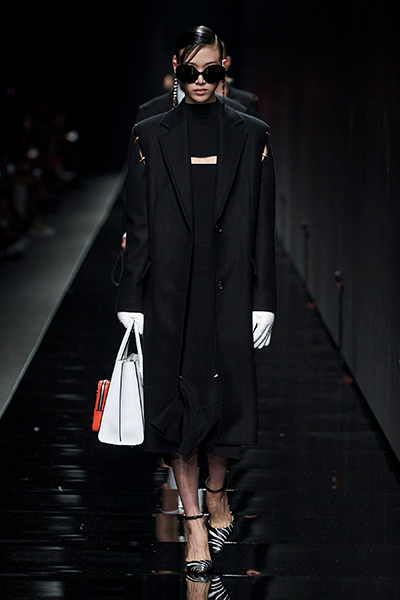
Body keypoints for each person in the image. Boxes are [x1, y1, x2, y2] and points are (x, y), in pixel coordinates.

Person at [116, 25, 276, 575]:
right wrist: (130, 294)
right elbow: (137, 221)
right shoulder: (148, 133)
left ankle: (218, 491)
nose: (201, 81)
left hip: (229, 290)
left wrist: (265, 299)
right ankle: (194, 525)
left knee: (226, 401)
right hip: (168, 291)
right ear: (177, 71)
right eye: (191, 72)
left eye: (210, 71)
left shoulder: (252, 133)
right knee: (175, 407)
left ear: (223, 69)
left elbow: (263, 225)